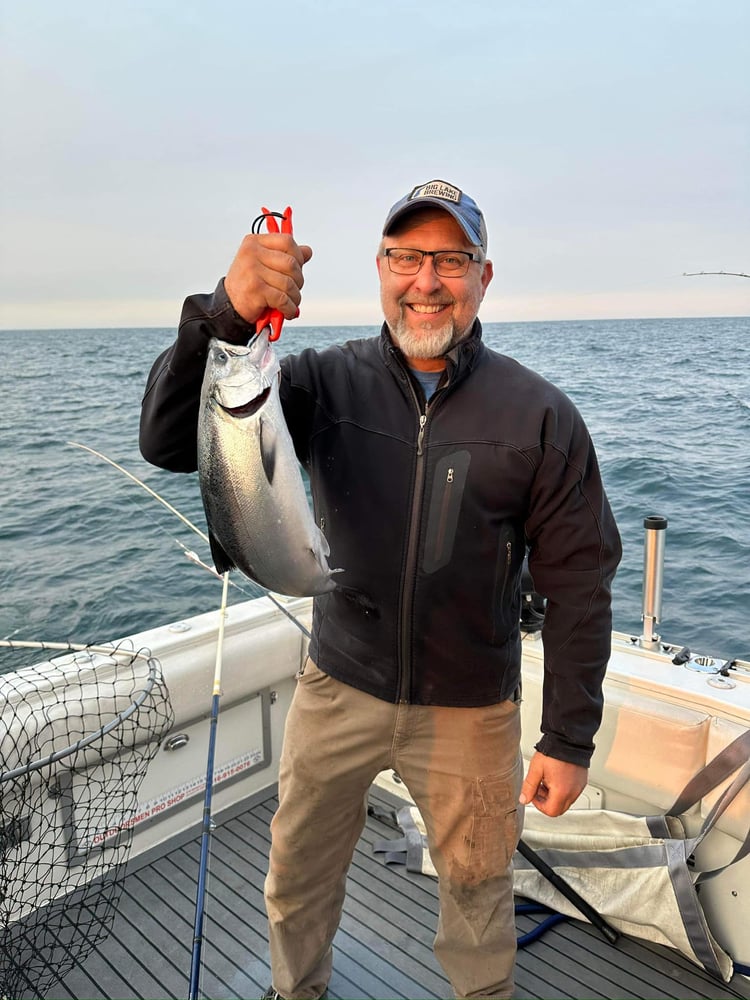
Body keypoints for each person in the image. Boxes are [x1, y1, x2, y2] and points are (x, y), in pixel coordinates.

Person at [139, 179, 622, 999]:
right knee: (295, 878)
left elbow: (580, 579)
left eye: (449, 259)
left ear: (484, 275)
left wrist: (569, 737)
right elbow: (170, 441)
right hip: (338, 683)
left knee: (476, 895)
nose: (425, 280)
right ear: (379, 268)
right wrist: (224, 311)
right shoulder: (319, 384)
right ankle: (296, 992)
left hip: (472, 707)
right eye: (407, 257)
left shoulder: (541, 416)